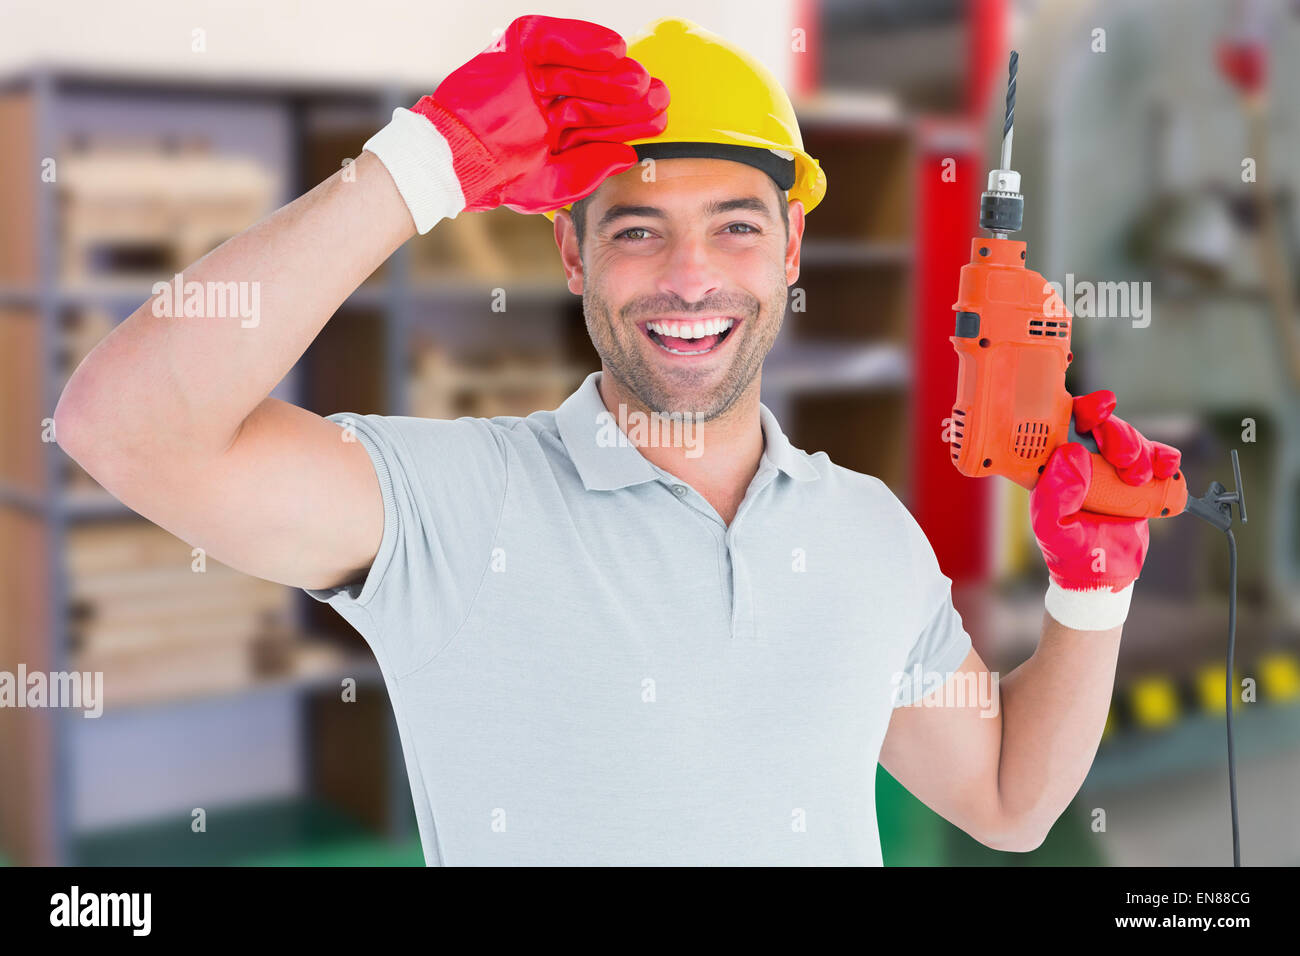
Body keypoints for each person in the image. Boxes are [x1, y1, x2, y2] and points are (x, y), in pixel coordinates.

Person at [55, 15, 1180, 865]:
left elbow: (1007, 799)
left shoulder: (868, 533)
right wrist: (420, 164)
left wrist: (1091, 593)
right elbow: (126, 427)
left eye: (734, 227)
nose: (690, 276)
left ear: (790, 247)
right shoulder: (450, 507)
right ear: (573, 258)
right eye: (637, 229)